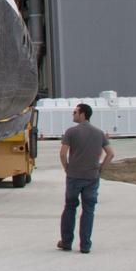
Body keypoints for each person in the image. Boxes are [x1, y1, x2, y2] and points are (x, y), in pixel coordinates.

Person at [57, 102, 115, 254]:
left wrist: (67, 168)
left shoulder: (71, 132)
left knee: (70, 207)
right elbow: (110, 153)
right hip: (92, 177)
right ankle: (85, 245)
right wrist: (101, 169)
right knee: (88, 210)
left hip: (74, 176)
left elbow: (63, 153)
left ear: (82, 114)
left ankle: (67, 241)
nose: (73, 115)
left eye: (75, 112)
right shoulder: (99, 133)